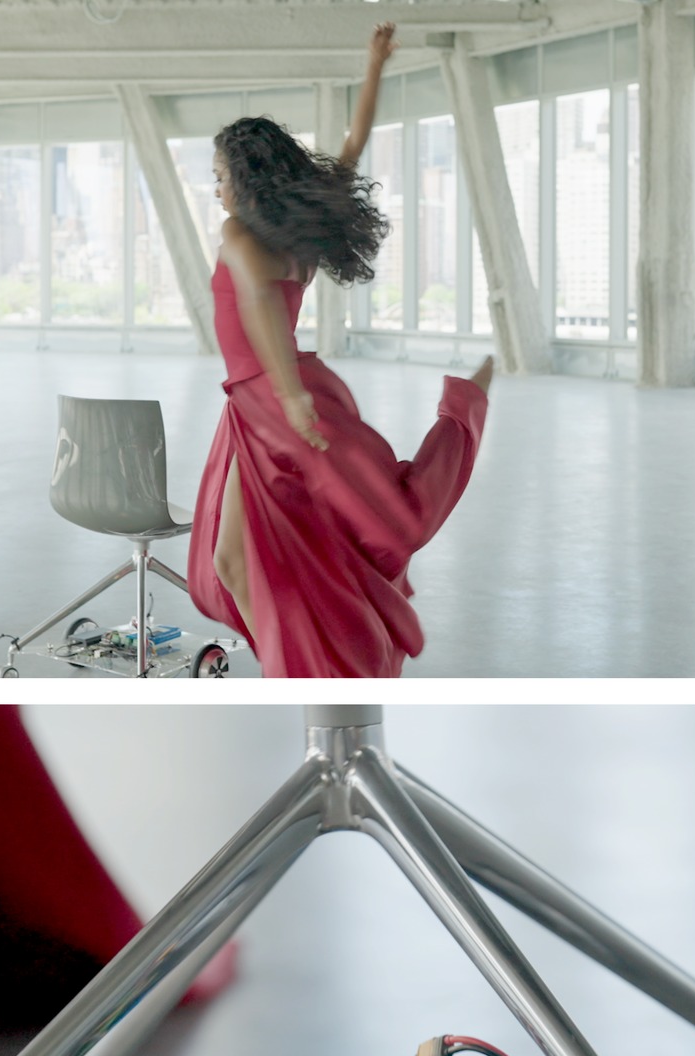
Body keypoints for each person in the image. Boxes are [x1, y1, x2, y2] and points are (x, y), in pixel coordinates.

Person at [188, 22, 493, 677]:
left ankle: (465, 411)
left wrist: (291, 398)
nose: (215, 189)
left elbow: (259, 307)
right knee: (234, 562)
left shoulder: (241, 235)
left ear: (244, 176)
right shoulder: (295, 232)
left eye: (218, 176)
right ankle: (289, 666)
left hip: (275, 397)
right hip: (264, 398)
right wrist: (375, 65)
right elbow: (352, 147)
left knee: (378, 524)